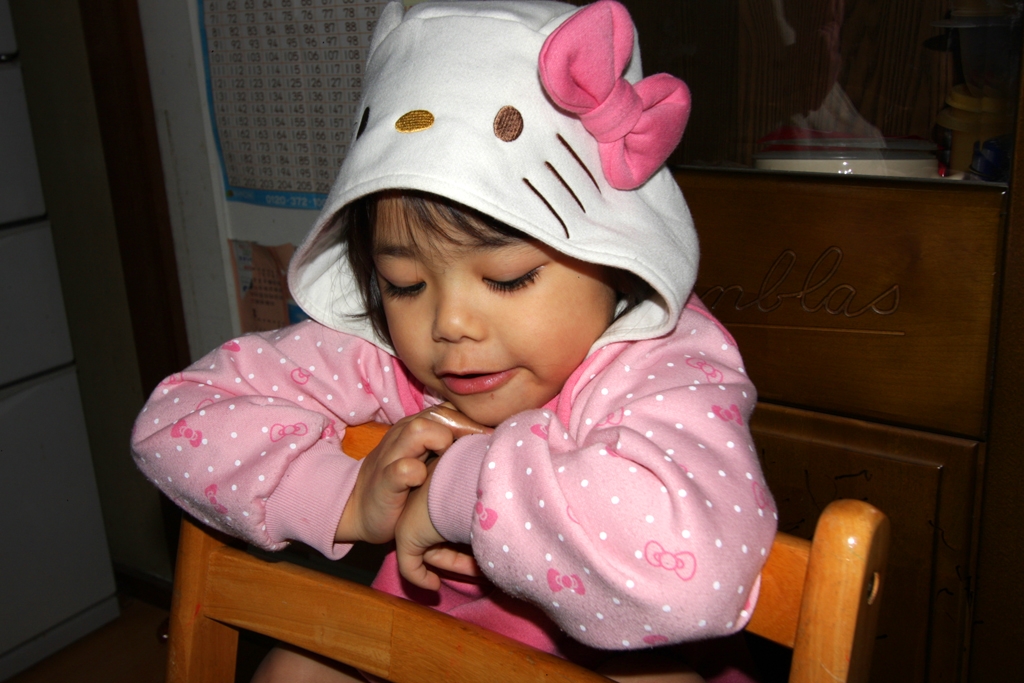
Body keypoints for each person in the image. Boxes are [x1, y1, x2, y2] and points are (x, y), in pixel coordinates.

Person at [131, 2, 777, 681]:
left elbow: (696, 578)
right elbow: (174, 422)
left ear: (615, 256)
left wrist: (455, 488)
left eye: (507, 277)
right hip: (426, 644)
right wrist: (345, 495)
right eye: (404, 284)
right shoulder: (394, 356)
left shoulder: (667, 364)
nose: (450, 324)